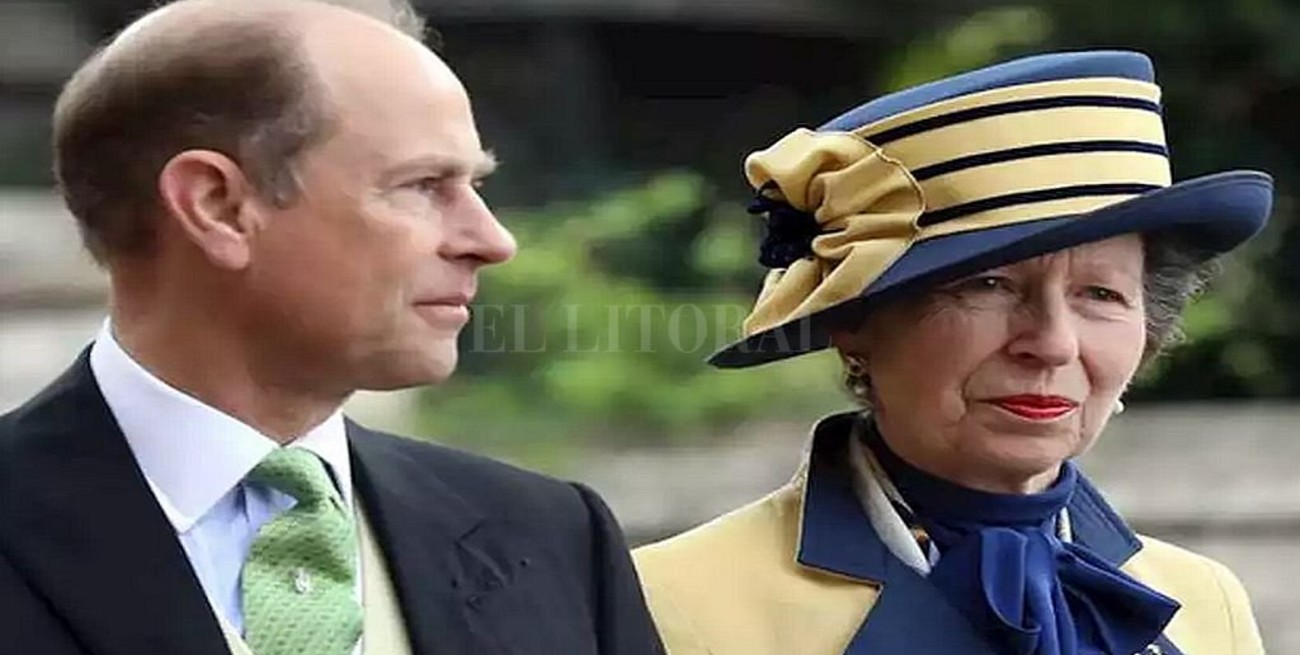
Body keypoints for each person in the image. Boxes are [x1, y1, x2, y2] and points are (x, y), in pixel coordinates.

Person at [0, 1, 664, 654]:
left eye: (476, 187)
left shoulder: (554, 539)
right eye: (423, 185)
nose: (491, 241)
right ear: (217, 205)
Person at [634, 50, 1270, 655]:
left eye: (1100, 294)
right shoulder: (670, 603)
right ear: (854, 321)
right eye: (988, 286)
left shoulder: (1201, 602)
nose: (1052, 344)